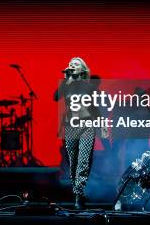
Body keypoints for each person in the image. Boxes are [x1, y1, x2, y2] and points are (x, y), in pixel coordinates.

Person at [54, 57, 97, 209]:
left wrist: (101, 125)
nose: (72, 65)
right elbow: (55, 97)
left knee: (83, 159)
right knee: (72, 160)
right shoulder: (66, 85)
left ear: (83, 69)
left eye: (76, 64)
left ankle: (79, 193)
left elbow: (94, 108)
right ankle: (77, 190)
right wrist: (66, 80)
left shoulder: (90, 87)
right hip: (71, 126)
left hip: (87, 125)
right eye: (71, 64)